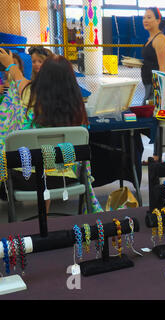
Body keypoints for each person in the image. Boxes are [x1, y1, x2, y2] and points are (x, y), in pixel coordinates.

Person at [0, 49, 102, 213]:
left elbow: (19, 80)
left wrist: (10, 64)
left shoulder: (30, 97)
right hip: (66, 177)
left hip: (27, 178)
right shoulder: (76, 109)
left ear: (42, 77)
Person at [141, 7, 165, 105]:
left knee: (150, 114)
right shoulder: (150, 39)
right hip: (148, 84)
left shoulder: (160, 39)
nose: (145, 20)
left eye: (149, 17)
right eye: (144, 18)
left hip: (154, 86)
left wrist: (161, 93)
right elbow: (150, 61)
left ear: (158, 20)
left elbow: (162, 67)